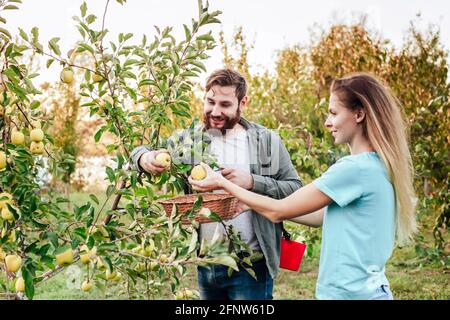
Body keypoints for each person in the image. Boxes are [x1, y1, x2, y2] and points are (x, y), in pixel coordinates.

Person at [189, 72, 417, 300]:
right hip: (369, 290)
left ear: (359, 115)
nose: (328, 122)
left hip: (350, 294)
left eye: (334, 113)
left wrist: (221, 182)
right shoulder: (378, 165)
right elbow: (319, 216)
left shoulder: (354, 169)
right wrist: (251, 205)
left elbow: (278, 211)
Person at [130, 68, 302, 300]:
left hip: (250, 264)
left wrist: (252, 181)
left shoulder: (265, 142)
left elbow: (295, 190)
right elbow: (140, 152)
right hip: (206, 262)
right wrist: (145, 158)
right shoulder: (191, 140)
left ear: (243, 103)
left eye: (225, 104)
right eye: (210, 102)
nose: (215, 111)